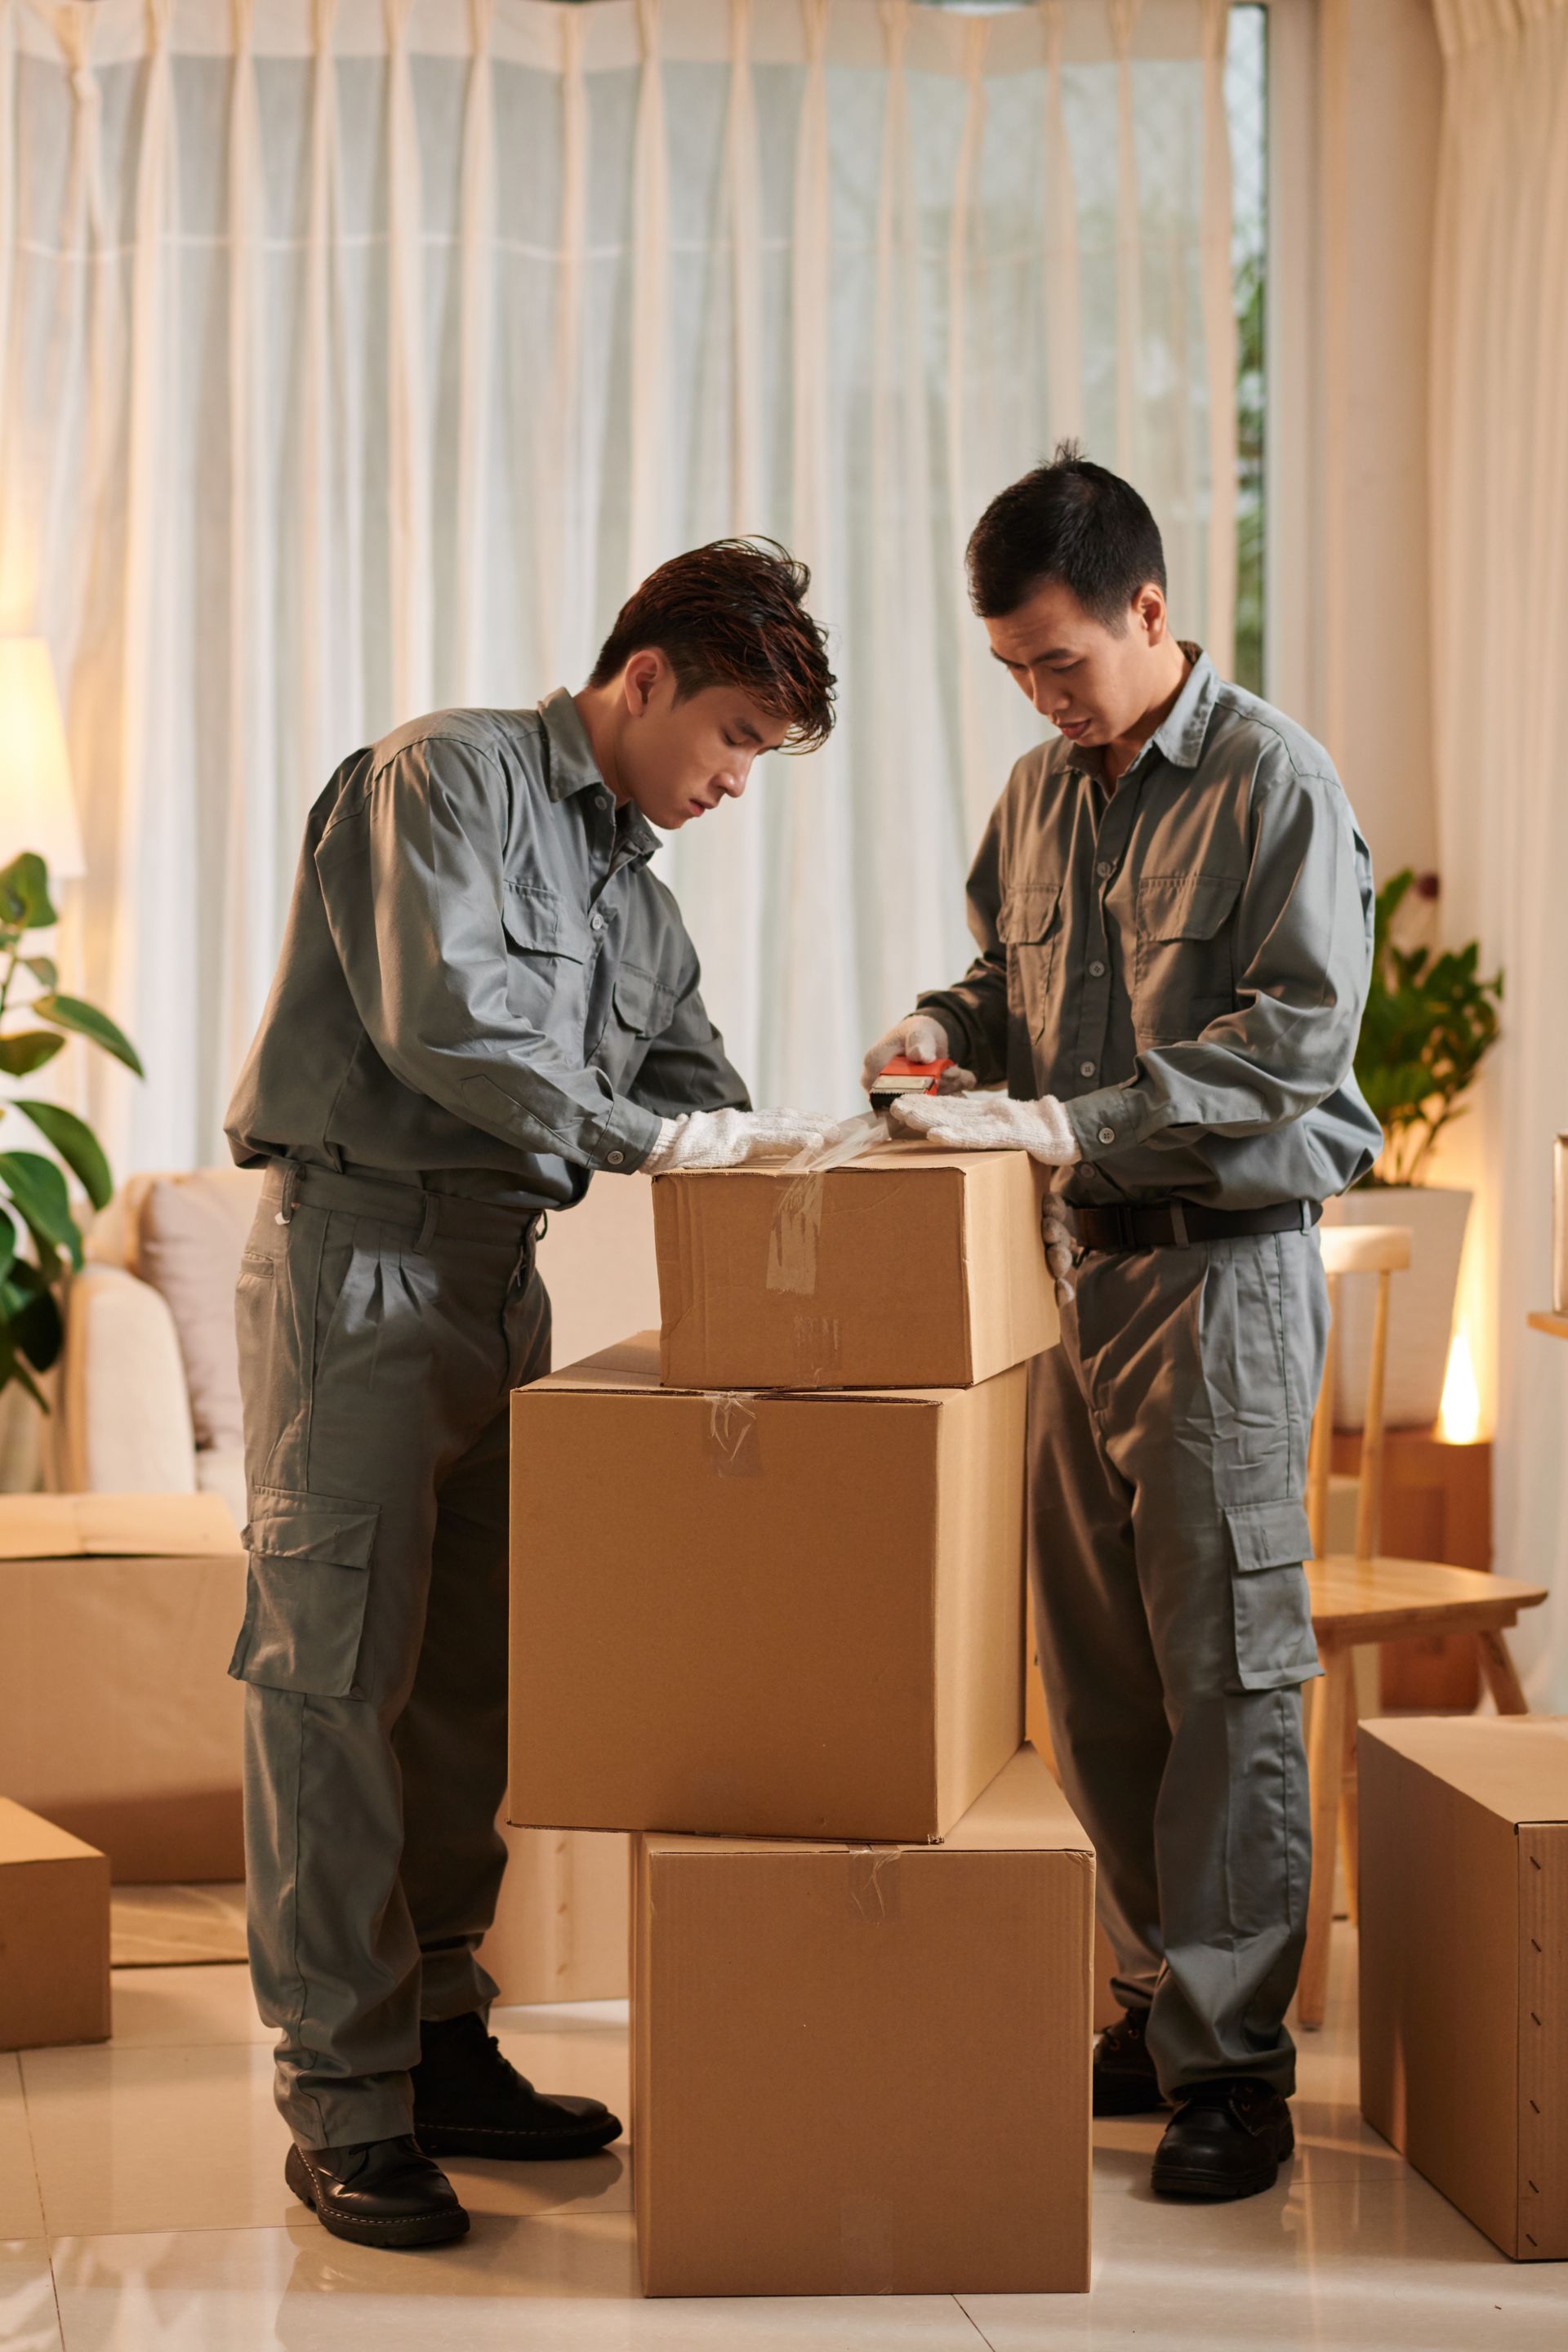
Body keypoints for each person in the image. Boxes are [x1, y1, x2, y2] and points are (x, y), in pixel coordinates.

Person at [225, 539, 838, 2248]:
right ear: (642, 679)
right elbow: (449, 1023)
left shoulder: (635, 892)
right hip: (362, 1265)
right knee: (332, 1679)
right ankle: (341, 2102)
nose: (731, 782)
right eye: (728, 736)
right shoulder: (449, 779)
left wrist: (846, 1138)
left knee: (466, 1685)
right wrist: (657, 1133)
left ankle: (433, 2038)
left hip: (503, 1281)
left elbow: (704, 1085)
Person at [862, 448, 1381, 2203]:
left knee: (1229, 1668)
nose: (1041, 693)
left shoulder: (1276, 785)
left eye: (1062, 659)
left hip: (1224, 1279)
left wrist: (1075, 1121)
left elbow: (1293, 1044)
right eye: (1013, 665)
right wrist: (935, 1042)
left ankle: (1235, 2064)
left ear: (1152, 611)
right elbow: (1003, 999)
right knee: (1093, 1679)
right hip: (1073, 1282)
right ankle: (1164, 1994)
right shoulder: (1036, 796)